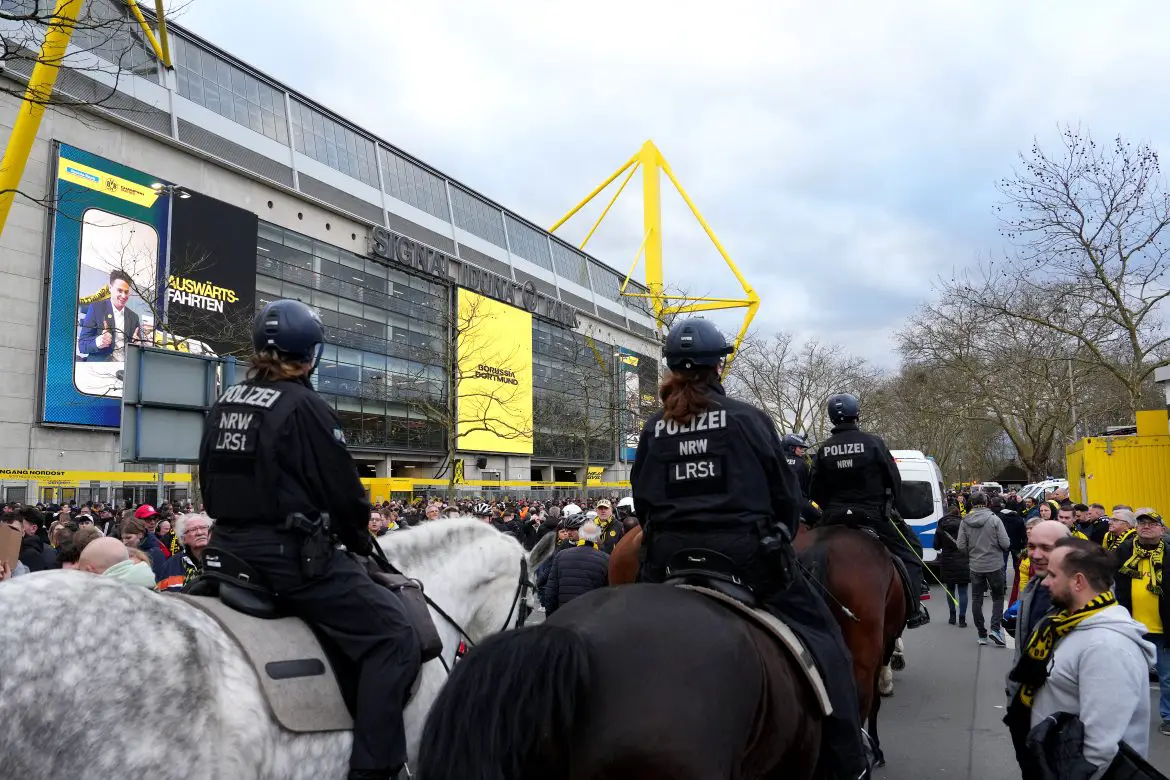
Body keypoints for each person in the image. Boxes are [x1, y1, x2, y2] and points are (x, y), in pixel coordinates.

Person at [631, 317, 867, 780]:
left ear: (672, 367)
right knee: (826, 640)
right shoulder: (745, 418)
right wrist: (778, 535)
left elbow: (643, 502)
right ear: (719, 364)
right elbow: (784, 496)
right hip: (745, 560)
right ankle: (848, 760)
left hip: (667, 561)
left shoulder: (653, 429)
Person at [198, 299, 419, 780]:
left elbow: (208, 484)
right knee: (393, 635)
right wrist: (359, 537)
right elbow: (343, 493)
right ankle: (376, 769)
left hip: (224, 550)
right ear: (311, 355)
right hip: (286, 559)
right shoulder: (305, 406)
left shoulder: (225, 403)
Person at [1019, 538, 1155, 777]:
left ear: (1078, 581)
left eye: (1053, 575)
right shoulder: (1072, 624)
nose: (1045, 582)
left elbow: (1099, 747)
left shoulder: (1107, 647)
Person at [809, 392, 929, 628]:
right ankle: (914, 610)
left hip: (833, 519)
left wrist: (829, 508)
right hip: (873, 517)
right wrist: (889, 505)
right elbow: (894, 479)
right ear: (857, 414)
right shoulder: (873, 443)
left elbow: (814, 490)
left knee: (803, 558)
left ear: (832, 418)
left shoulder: (824, 450)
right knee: (912, 550)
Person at [1004, 519, 1070, 779]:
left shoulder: (1082, 596)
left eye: (1046, 547)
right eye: (1032, 546)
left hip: (1060, 717)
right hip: (1024, 707)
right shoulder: (1033, 587)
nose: (1036, 555)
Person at [1113, 509, 1169, 736]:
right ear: (1135, 527)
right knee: (1130, 676)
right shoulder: (1124, 551)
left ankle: (1168, 716)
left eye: (1152, 523)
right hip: (1132, 627)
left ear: (1162, 529)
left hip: (1163, 627)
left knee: (1167, 677)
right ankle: (1127, 715)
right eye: (1141, 523)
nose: (1146, 526)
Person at [783, 433, 821, 525]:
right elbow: (808, 491)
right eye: (800, 448)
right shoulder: (802, 464)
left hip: (776, 505)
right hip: (798, 504)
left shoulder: (775, 460)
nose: (802, 451)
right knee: (821, 519)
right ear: (792, 448)